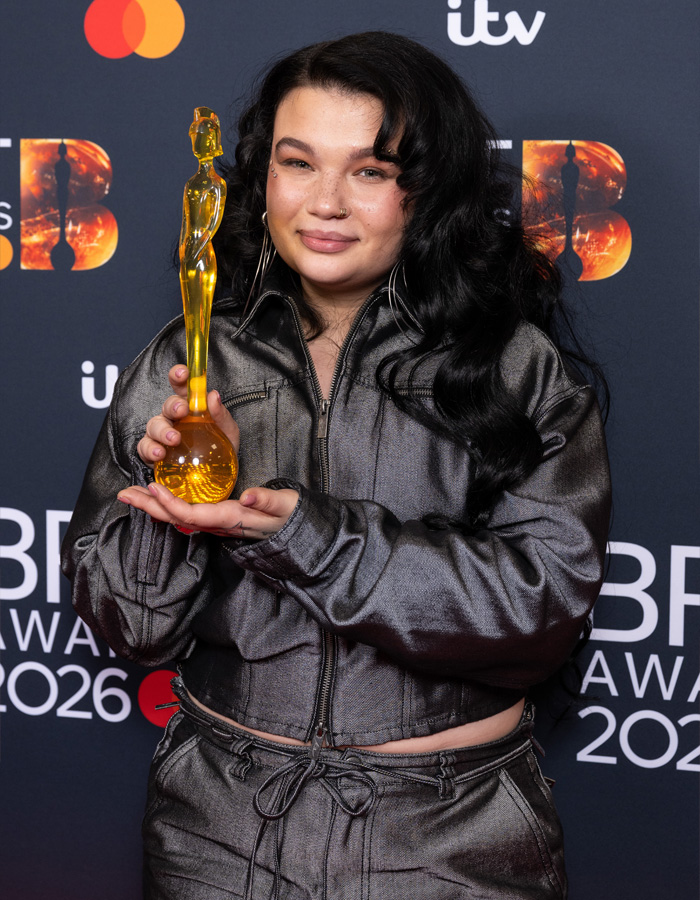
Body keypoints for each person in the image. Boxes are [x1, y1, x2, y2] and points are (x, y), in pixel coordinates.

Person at [61, 31, 611, 900]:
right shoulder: (194, 361)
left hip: (450, 838)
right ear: (260, 177)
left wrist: (304, 535)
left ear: (427, 190)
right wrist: (168, 512)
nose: (324, 203)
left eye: (369, 170)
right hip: (220, 830)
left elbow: (542, 613)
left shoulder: (511, 365)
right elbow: (130, 629)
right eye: (297, 162)